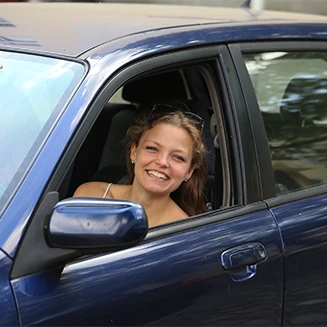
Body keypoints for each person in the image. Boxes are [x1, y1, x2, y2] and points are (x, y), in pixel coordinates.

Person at [73, 103, 208, 228]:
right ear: (134, 152)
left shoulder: (184, 232)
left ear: (189, 171)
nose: (162, 162)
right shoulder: (90, 196)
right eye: (152, 148)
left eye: (178, 157)